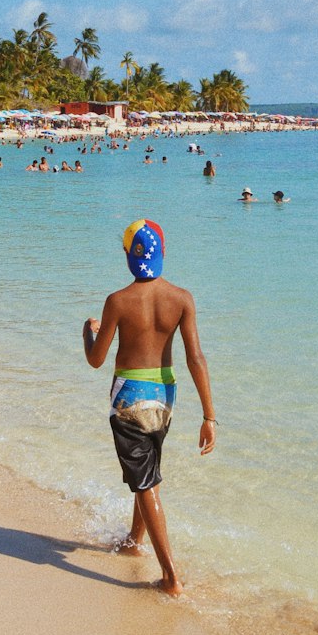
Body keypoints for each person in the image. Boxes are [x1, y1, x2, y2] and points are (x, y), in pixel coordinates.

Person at [82, 220, 215, 597]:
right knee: (149, 474)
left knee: (145, 483)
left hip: (129, 399)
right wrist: (209, 415)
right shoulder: (182, 298)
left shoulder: (118, 301)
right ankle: (133, 541)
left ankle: (171, 577)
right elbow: (196, 358)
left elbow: (96, 359)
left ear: (128, 256)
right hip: (165, 396)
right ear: (164, 253)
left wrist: (86, 332)